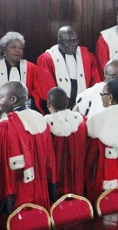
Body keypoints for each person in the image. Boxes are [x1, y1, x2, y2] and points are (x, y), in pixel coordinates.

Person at [0, 81, 56, 214]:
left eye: (1, 96)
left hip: (17, 193)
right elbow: (50, 162)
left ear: (13, 99)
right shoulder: (42, 120)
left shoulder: (5, 127)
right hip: (41, 191)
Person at [37, 26, 102, 114]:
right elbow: (48, 89)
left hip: (84, 107)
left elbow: (96, 84)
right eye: (68, 41)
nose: (73, 44)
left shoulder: (88, 57)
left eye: (75, 41)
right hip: (59, 110)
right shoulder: (47, 59)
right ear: (59, 41)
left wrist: (85, 101)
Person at [44, 87, 87, 197]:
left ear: (48, 104)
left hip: (56, 180)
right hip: (78, 177)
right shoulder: (81, 123)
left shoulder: (46, 127)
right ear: (67, 102)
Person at [0, 31, 39, 114]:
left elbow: (37, 93)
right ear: (5, 49)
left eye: (20, 48)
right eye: (13, 47)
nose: (18, 50)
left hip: (24, 113)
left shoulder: (31, 68)